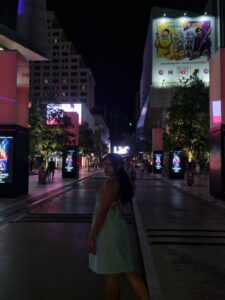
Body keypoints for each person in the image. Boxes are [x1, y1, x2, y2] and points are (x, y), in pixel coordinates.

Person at [88, 153, 150, 300]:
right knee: (126, 270)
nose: (106, 167)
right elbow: (116, 206)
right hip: (115, 227)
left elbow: (102, 212)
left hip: (107, 230)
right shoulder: (120, 182)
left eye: (109, 164)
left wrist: (92, 236)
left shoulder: (111, 184)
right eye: (104, 164)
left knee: (111, 272)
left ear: (118, 166)